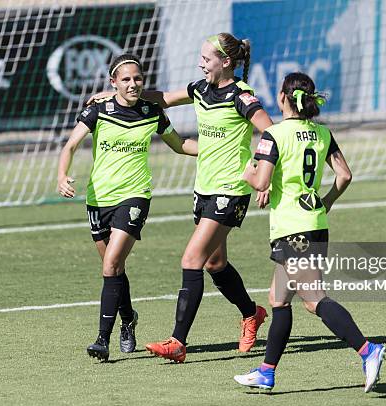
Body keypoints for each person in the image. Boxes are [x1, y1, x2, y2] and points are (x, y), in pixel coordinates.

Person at [88, 33, 273, 362]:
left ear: (226, 62)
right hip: (204, 188)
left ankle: (178, 342)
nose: (201, 63)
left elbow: (270, 133)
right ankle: (251, 313)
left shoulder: (241, 96)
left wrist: (263, 176)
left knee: (192, 260)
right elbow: (163, 97)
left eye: (206, 58)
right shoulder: (200, 90)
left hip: (230, 190)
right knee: (216, 263)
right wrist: (114, 93)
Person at [234, 72, 386, 392]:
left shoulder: (273, 135)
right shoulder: (321, 133)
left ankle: (368, 350)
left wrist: (245, 168)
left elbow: (261, 182)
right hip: (314, 223)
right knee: (278, 299)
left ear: (282, 98)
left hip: (293, 229)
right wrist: (326, 202)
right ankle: (266, 371)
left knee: (314, 298)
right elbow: (344, 175)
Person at [58, 54, 197, 362]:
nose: (133, 84)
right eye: (126, 79)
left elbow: (179, 144)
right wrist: (61, 175)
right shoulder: (99, 110)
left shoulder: (152, 111)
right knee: (114, 268)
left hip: (134, 197)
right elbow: (69, 146)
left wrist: (215, 150)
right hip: (98, 198)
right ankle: (128, 319)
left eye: (137, 78)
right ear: (113, 83)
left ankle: (101, 341)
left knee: (110, 265)